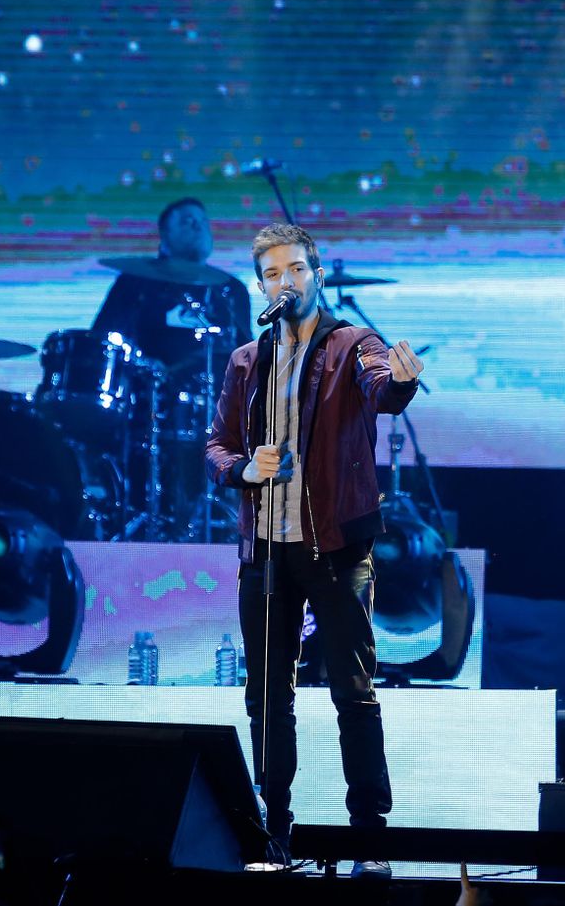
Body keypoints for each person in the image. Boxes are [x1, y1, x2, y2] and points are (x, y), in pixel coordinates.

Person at [204, 223, 424, 879]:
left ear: (317, 273)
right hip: (266, 550)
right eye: (273, 273)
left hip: (335, 547)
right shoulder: (247, 360)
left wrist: (403, 383)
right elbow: (216, 443)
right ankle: (273, 833)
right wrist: (244, 468)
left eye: (297, 268)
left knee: (353, 690)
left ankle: (369, 836)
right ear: (261, 283)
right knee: (267, 696)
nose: (286, 281)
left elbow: (383, 385)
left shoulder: (352, 343)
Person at [90, 197, 251, 374]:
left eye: (204, 221)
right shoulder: (134, 282)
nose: (199, 227)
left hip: (215, 395)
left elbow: (247, 356)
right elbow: (102, 343)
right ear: (165, 234)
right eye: (187, 222)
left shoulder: (232, 290)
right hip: (147, 391)